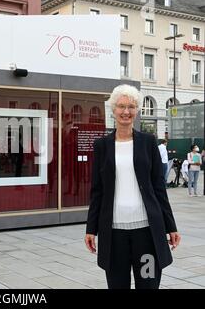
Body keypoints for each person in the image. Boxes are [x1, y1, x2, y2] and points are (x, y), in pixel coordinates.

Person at [84, 84, 181, 289]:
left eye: (131, 106)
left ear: (136, 110)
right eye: (121, 106)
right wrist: (91, 229)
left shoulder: (148, 142)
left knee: (148, 284)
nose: (126, 112)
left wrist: (170, 226)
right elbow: (97, 190)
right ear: (113, 109)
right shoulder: (102, 146)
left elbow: (158, 188)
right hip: (114, 233)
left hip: (146, 232)